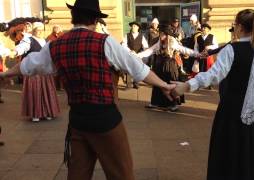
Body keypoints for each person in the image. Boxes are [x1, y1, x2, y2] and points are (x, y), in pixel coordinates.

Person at [0, 0, 175, 179]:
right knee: (121, 174)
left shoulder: (55, 45)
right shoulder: (104, 42)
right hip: (106, 120)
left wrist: (4, 75)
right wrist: (164, 85)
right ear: (95, 19)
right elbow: (137, 68)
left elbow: (28, 65)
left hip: (78, 121)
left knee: (78, 175)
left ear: (73, 17)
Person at [171, 9, 254, 180]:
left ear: (238, 26)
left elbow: (213, 75)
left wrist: (185, 86)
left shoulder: (233, 49)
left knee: (234, 148)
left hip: (235, 108)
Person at [138, 26, 199, 111]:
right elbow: (149, 51)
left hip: (170, 66)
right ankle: (155, 103)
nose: (161, 35)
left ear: (167, 34)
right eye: (160, 33)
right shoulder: (159, 43)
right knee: (158, 84)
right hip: (159, 66)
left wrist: (197, 54)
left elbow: (184, 50)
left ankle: (173, 104)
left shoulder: (172, 42)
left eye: (163, 33)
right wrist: (137, 56)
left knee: (170, 83)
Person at [11, 22, 60, 122]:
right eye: (38, 30)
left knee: (47, 92)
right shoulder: (28, 40)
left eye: (41, 30)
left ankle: (47, 112)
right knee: (35, 92)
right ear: (34, 31)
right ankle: (35, 114)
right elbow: (22, 47)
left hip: (44, 71)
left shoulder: (45, 41)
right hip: (33, 72)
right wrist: (15, 51)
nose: (40, 32)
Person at [122, 21, 149, 88]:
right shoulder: (127, 35)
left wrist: (142, 52)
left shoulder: (141, 36)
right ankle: (128, 85)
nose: (133, 27)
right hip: (129, 54)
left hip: (138, 55)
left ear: (138, 28)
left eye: (134, 26)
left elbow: (145, 46)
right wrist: (130, 51)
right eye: (132, 26)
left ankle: (136, 83)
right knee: (128, 69)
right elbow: (123, 45)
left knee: (137, 69)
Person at [46, 25, 64, 91]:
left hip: (62, 55)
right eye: (54, 28)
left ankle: (62, 86)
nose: (56, 29)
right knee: (55, 71)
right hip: (53, 55)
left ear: (60, 28)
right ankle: (56, 86)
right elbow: (47, 45)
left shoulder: (63, 35)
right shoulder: (50, 36)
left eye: (57, 28)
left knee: (62, 71)